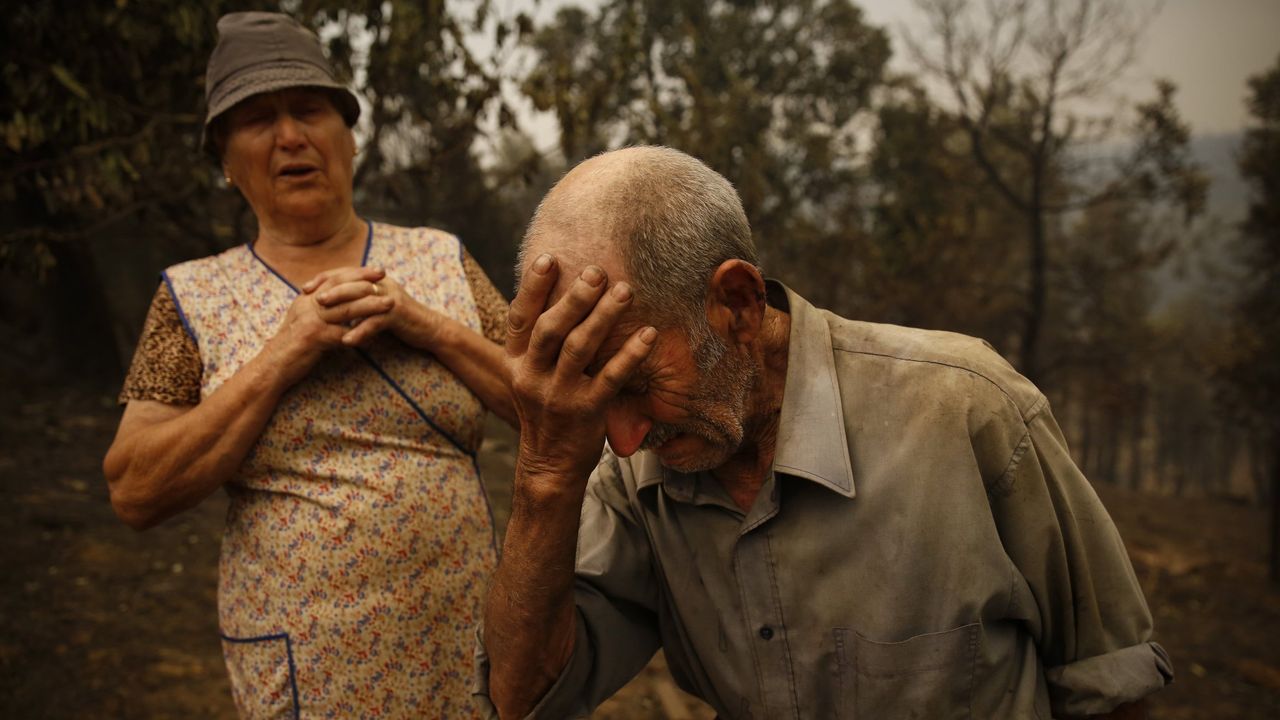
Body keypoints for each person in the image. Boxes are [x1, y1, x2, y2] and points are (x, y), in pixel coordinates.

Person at [476, 146, 1172, 719]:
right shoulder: (633, 481)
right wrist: (546, 472)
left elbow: (1111, 685)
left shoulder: (966, 409)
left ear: (739, 304)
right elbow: (525, 697)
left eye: (636, 384)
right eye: (596, 399)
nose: (622, 441)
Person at [103, 12, 511, 718]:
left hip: (468, 644)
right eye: (257, 120)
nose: (290, 135)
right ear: (226, 163)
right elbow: (135, 489)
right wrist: (281, 356)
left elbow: (544, 399)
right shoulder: (192, 296)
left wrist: (425, 324)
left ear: (348, 136)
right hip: (308, 663)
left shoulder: (440, 258)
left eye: (309, 110)